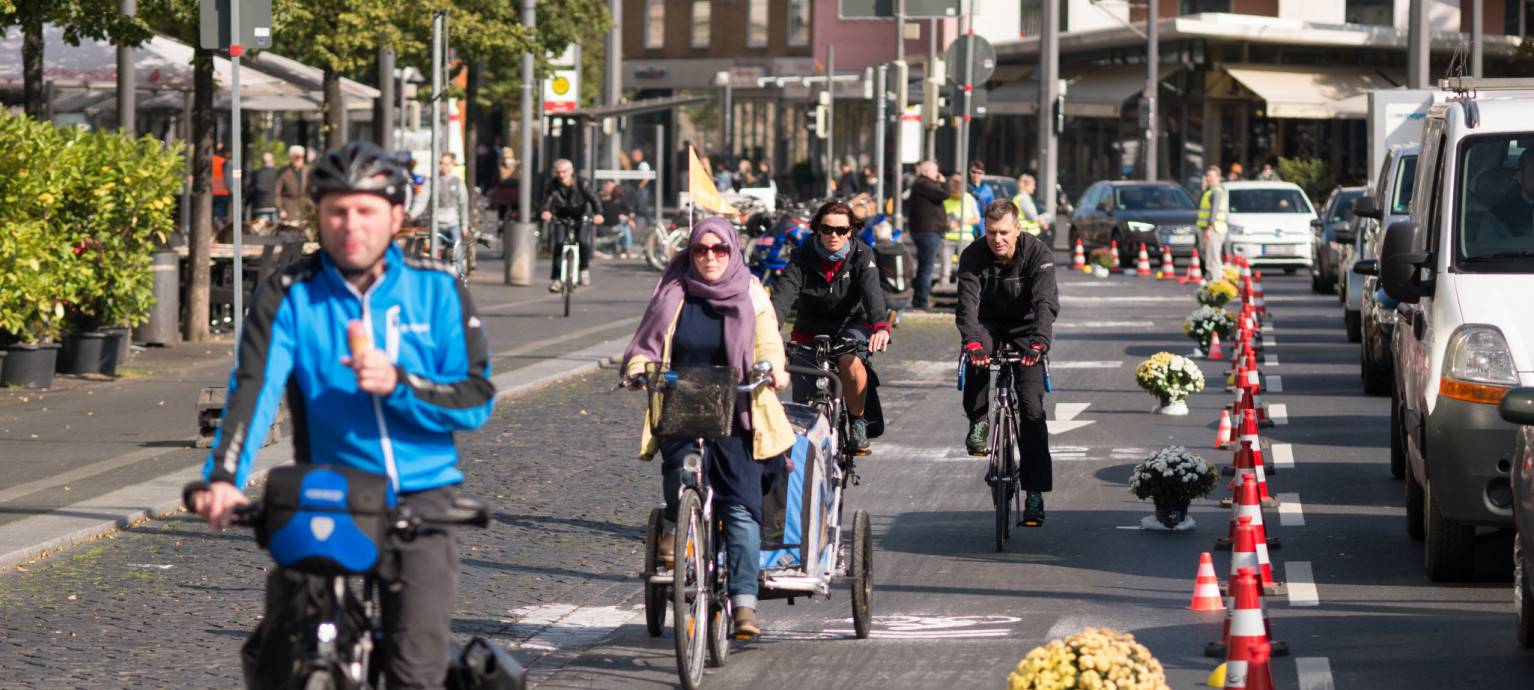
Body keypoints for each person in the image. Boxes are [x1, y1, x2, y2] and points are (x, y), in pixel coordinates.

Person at [187, 141, 497, 690]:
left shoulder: (438, 289)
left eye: (365, 210)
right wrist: (224, 481)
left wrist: (399, 383)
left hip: (421, 496)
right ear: (319, 215)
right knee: (282, 658)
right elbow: (253, 390)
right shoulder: (290, 293)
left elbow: (476, 399)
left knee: (415, 668)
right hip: (328, 492)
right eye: (337, 210)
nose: (350, 224)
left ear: (397, 216)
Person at [620, 217, 795, 639]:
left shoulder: (751, 291)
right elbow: (646, 344)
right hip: (683, 407)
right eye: (702, 250)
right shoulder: (672, 291)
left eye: (719, 250)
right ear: (690, 251)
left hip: (740, 412)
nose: (710, 257)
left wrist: (772, 369)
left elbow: (768, 342)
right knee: (679, 483)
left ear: (733, 251)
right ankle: (679, 531)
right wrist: (639, 370)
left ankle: (744, 604)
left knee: (739, 505)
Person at [956, 199, 1059, 526]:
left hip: (1026, 329)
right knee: (976, 356)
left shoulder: (1038, 253)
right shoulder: (973, 255)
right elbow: (967, 306)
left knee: (1031, 408)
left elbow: (1046, 303)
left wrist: (1040, 342)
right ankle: (979, 420)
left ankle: (1034, 494)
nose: (997, 239)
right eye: (991, 233)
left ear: (1018, 228)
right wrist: (972, 341)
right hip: (988, 325)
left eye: (1003, 232)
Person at [769, 201, 891, 453]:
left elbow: (872, 293)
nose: (834, 235)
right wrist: (768, 329)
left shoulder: (861, 254)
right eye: (827, 229)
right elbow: (783, 297)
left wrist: (880, 325)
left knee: (850, 362)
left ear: (850, 231)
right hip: (808, 330)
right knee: (803, 415)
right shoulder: (801, 256)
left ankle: (857, 422)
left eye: (841, 230)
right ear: (817, 229)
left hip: (851, 326)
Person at [540, 158, 604, 291]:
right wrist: (546, 211)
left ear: (571, 171)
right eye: (558, 172)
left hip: (581, 215)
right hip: (561, 216)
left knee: (582, 241)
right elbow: (547, 200)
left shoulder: (582, 183)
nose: (561, 175)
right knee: (558, 244)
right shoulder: (552, 184)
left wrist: (598, 213)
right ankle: (557, 279)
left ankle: (584, 270)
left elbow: (594, 198)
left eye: (564, 171)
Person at [906, 160, 949, 311]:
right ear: (925, 172)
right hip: (928, 231)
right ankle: (921, 301)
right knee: (926, 268)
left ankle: (919, 298)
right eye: (934, 171)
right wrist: (943, 182)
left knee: (924, 266)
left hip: (926, 230)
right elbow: (944, 194)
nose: (937, 174)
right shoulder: (924, 183)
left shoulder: (922, 184)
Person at [942, 173, 981, 285]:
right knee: (945, 269)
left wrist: (960, 221)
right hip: (947, 238)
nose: (956, 184)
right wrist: (947, 224)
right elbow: (939, 219)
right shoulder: (944, 199)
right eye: (954, 181)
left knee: (964, 268)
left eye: (959, 182)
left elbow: (977, 219)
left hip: (965, 237)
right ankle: (944, 290)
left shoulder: (969, 198)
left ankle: (962, 293)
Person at [434, 152, 472, 270]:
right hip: (437, 222)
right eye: (442, 163)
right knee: (434, 253)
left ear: (452, 165)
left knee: (457, 251)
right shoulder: (434, 181)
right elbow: (422, 201)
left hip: (453, 222)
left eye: (447, 163)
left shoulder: (458, 182)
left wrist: (464, 224)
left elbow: (463, 204)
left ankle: (459, 276)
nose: (444, 166)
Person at [1196, 165, 1228, 280]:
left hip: (1213, 229)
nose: (1208, 178)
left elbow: (1213, 212)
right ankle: (1211, 284)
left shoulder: (1216, 192)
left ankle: (1216, 285)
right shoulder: (1209, 191)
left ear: (1218, 177)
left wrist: (1208, 229)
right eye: (1207, 176)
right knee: (1209, 259)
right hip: (1210, 229)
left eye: (1211, 176)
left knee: (1213, 260)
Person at [274, 145, 311, 224]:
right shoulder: (283, 172)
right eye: (297, 157)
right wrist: (281, 209)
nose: (300, 159)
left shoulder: (308, 170)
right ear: (291, 157)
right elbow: (277, 193)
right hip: (289, 212)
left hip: (305, 212)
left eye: (302, 157)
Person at [599, 180, 635, 259]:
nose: (610, 189)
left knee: (625, 227)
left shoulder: (617, 199)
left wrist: (627, 218)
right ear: (604, 187)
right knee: (625, 228)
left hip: (616, 224)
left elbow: (629, 212)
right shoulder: (600, 198)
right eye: (609, 187)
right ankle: (627, 249)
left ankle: (625, 249)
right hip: (604, 225)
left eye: (612, 187)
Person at [245, 152, 279, 224]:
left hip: (259, 206)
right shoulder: (278, 173)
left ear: (262, 162)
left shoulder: (256, 174)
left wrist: (246, 204)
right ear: (273, 161)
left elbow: (251, 191)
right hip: (274, 206)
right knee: (276, 231)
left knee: (262, 232)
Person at [1011, 174, 1047, 239]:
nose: (1034, 187)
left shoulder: (1017, 198)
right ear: (1026, 186)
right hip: (1029, 233)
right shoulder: (1024, 199)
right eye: (1033, 185)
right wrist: (1041, 220)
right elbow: (1032, 216)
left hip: (1022, 232)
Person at [966, 160, 996, 236]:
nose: (976, 175)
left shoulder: (988, 189)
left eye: (979, 173)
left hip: (983, 225)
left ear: (983, 174)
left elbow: (992, 209)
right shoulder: (964, 188)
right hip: (969, 225)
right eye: (974, 172)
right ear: (969, 172)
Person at [212, 142, 231, 226]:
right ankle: (220, 231)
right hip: (223, 193)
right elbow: (228, 180)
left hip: (211, 193)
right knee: (220, 216)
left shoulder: (210, 160)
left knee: (215, 215)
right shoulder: (224, 162)